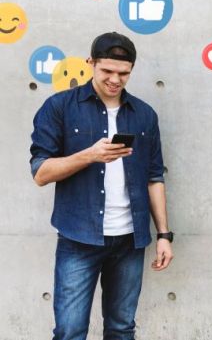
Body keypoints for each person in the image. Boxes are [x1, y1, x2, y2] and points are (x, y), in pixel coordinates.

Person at [29, 31, 174, 340]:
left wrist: (163, 234)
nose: (115, 80)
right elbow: (41, 172)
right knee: (70, 331)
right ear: (90, 63)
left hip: (130, 241)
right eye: (107, 71)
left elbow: (154, 177)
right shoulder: (60, 107)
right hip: (78, 237)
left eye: (123, 73)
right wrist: (89, 155)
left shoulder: (145, 115)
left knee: (122, 330)